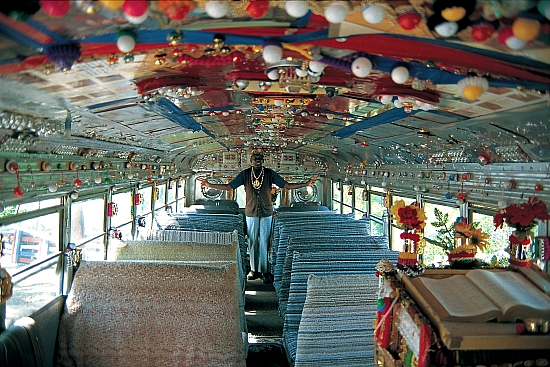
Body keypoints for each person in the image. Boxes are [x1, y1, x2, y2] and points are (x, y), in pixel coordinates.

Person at [197, 148, 317, 284]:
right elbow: (230, 187)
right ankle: (254, 270)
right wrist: (209, 184)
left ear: (263, 160)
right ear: (251, 160)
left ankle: (266, 271)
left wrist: (306, 184)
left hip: (266, 212)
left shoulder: (270, 174)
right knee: (253, 241)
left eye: (260, 158)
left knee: (265, 242)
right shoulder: (245, 174)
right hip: (251, 212)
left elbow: (287, 186)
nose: (257, 160)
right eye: (255, 158)